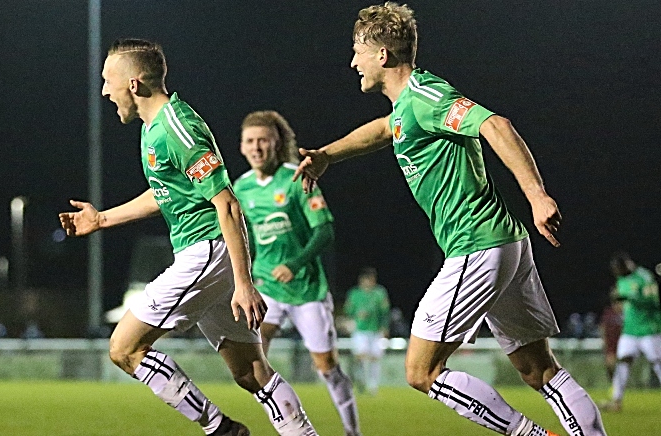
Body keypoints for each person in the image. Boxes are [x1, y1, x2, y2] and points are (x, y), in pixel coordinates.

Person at [293, 3, 607, 435]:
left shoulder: (426, 97)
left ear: (382, 54)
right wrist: (327, 154)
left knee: (421, 371)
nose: (353, 62)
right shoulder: (407, 108)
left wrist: (536, 195)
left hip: (477, 246)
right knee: (539, 372)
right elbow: (385, 130)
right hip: (505, 244)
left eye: (357, 51)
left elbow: (496, 125)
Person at [59, 39, 317, 436]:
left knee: (124, 348)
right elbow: (166, 193)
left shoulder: (177, 127)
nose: (104, 91)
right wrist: (103, 219)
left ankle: (220, 428)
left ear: (134, 83)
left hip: (209, 252)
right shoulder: (153, 130)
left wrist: (245, 284)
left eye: (108, 81)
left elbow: (227, 203)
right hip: (213, 257)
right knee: (252, 374)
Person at [233, 110, 360, 436]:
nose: (256, 147)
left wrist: (295, 263)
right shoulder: (241, 188)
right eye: (250, 141)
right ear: (242, 147)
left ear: (277, 143)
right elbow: (241, 237)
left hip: (307, 289)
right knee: (253, 360)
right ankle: (286, 420)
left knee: (327, 368)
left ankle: (352, 431)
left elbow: (325, 230)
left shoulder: (296, 177)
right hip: (267, 287)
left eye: (263, 140)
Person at [600, 252, 661, 412]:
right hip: (630, 330)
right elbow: (621, 304)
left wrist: (630, 299)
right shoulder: (621, 280)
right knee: (622, 363)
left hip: (649, 329)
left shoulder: (644, 277)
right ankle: (616, 401)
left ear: (625, 265)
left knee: (658, 364)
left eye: (618, 269)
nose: (616, 273)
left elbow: (653, 301)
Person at [344, 267, 390, 396]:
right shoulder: (355, 293)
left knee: (375, 358)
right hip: (360, 330)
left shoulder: (379, 293)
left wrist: (385, 327)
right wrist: (357, 315)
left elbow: (385, 311)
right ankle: (360, 380)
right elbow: (348, 310)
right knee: (361, 356)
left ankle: (373, 385)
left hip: (376, 330)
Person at [599, 288, 623, 382]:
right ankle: (614, 383)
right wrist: (604, 340)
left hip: (623, 342)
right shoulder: (609, 313)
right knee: (610, 365)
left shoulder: (628, 312)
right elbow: (603, 327)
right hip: (612, 343)